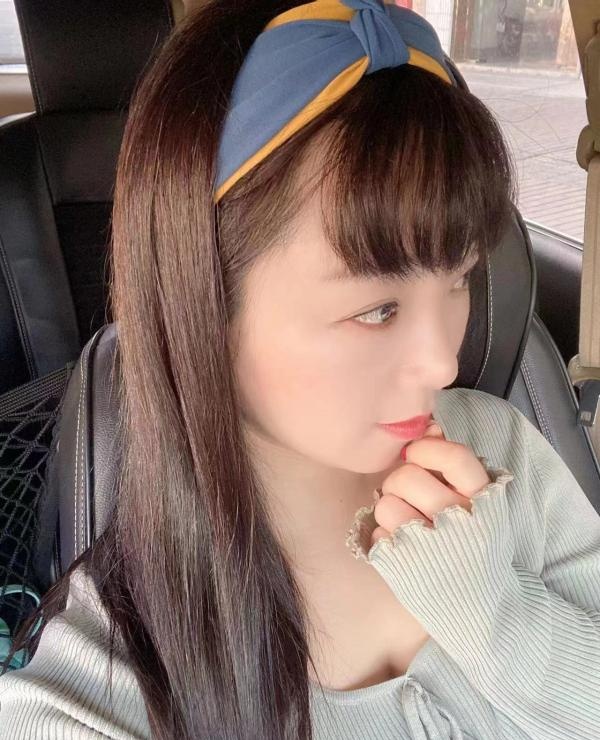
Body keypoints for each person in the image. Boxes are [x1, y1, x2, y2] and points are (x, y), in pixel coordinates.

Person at [1, 0, 600, 737]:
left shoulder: (503, 449)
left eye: (457, 281)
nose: (443, 363)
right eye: (376, 310)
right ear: (203, 305)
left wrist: (500, 619)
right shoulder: (96, 689)